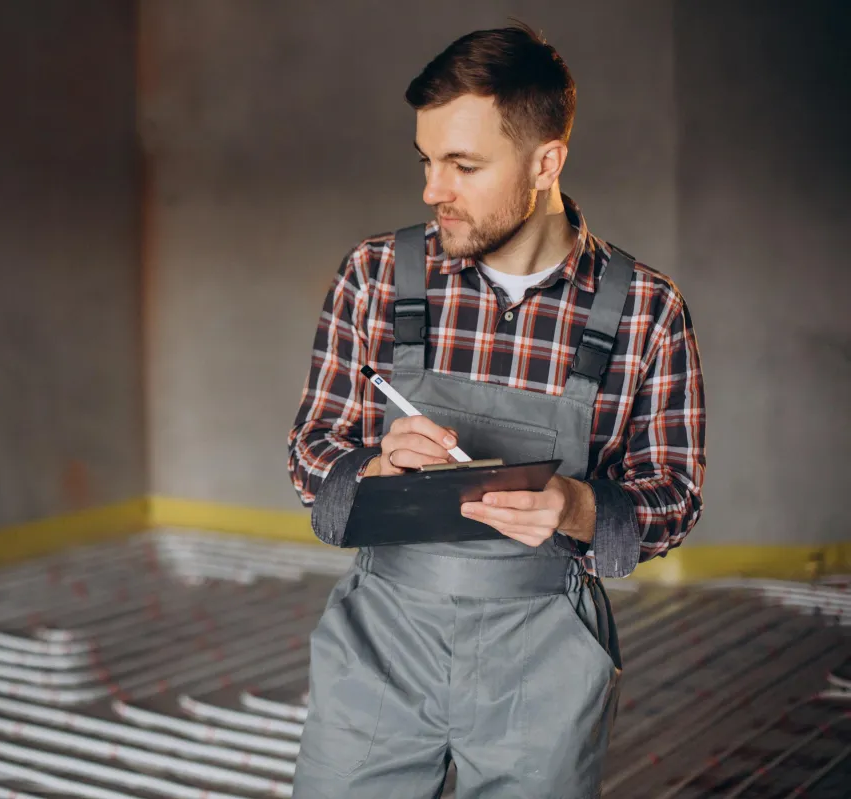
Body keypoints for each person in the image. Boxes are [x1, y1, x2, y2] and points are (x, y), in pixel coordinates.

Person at [285, 22, 706, 799]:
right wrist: (372, 467)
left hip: (543, 653)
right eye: (427, 160)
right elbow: (312, 447)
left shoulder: (646, 310)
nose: (431, 190)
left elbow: (674, 496)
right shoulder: (376, 275)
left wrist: (577, 505)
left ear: (546, 161)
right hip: (382, 639)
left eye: (463, 165)